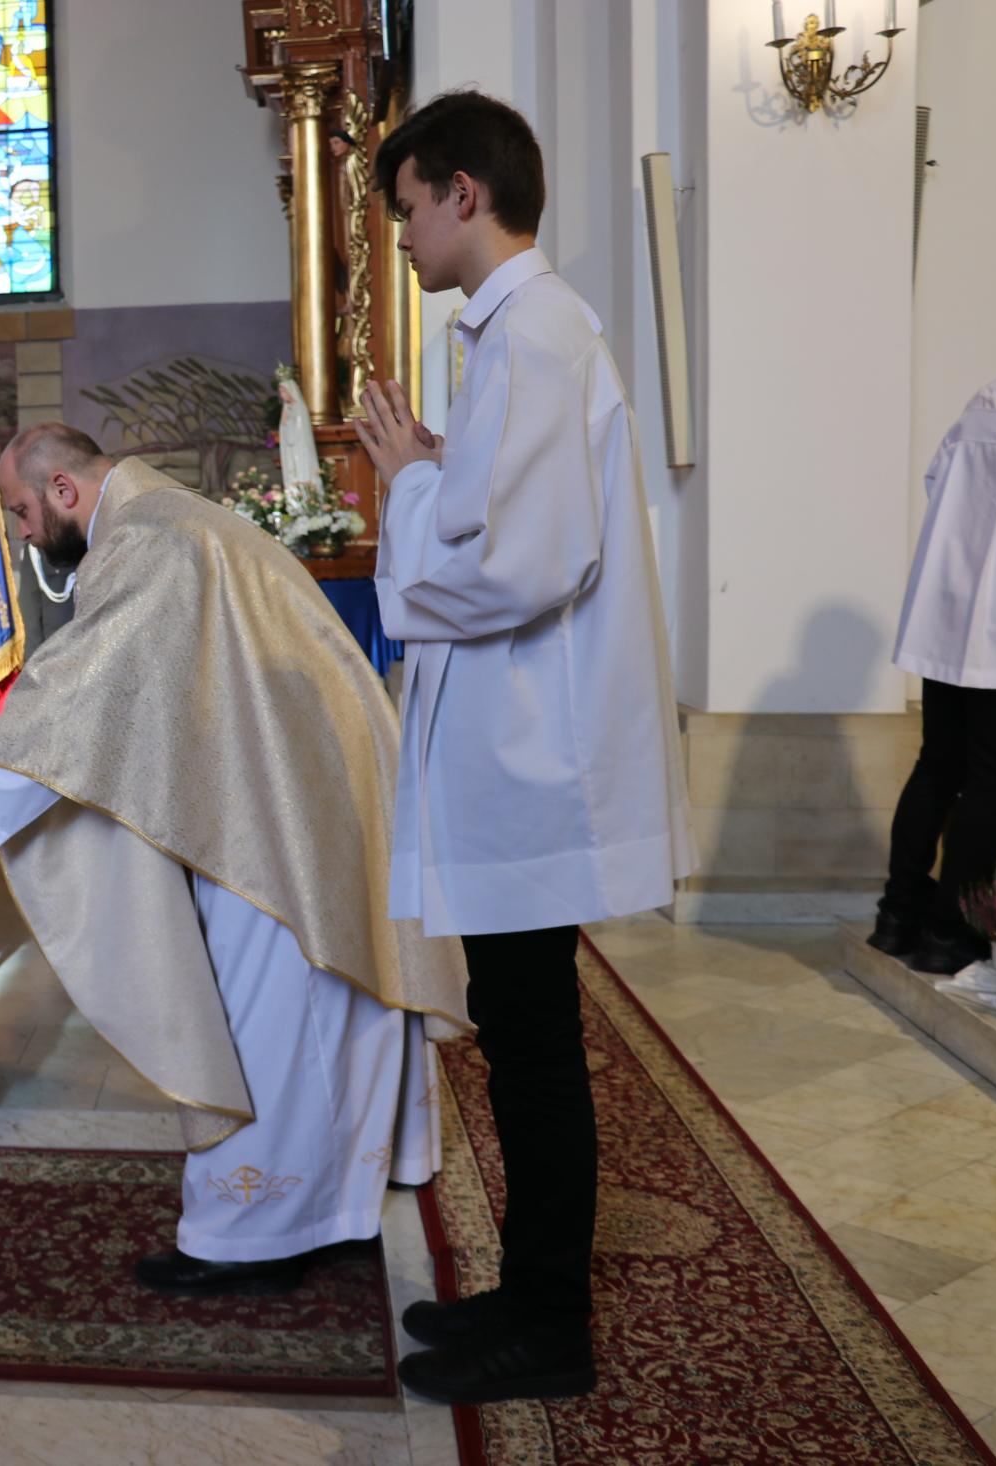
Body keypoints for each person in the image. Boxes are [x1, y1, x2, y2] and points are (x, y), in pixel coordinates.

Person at [0, 424, 467, 1295]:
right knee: (332, 1011)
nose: (23, 531)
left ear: (64, 490)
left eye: (23, 511)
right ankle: (339, 1203)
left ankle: (259, 1234)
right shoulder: (178, 520)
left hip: (268, 823)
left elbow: (88, 688)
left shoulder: (150, 539)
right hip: (298, 791)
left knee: (276, 1026)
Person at [355, 89, 693, 1405]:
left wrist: (411, 481)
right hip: (513, 740)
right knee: (515, 1027)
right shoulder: (509, 336)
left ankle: (551, 1322)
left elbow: (524, 562)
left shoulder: (538, 335)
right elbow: (505, 516)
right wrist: (443, 469)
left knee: (536, 1040)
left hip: (532, 749)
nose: (400, 236)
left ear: (463, 193)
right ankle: (528, 1286)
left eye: (407, 208)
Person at [873, 328, 996, 975]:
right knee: (995, 777)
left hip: (952, 616)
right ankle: (950, 932)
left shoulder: (990, 397)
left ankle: (898, 917)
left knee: (939, 765)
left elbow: (936, 481)